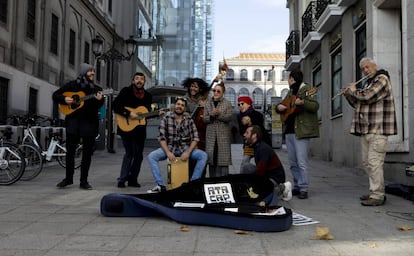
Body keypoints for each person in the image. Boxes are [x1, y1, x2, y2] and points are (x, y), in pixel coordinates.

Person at [343, 57, 397, 206]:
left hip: (378, 129)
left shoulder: (382, 78)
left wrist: (354, 90)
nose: (366, 70)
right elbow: (358, 103)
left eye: (368, 67)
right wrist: (349, 95)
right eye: (363, 69)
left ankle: (377, 195)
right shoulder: (369, 83)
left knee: (374, 163)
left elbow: (367, 97)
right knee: (367, 163)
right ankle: (376, 190)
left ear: (374, 65)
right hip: (366, 129)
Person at [53, 63, 104, 190]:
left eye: (93, 71)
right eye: (90, 71)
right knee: (70, 152)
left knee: (87, 154)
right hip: (73, 123)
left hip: (89, 124)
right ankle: (68, 179)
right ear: (83, 72)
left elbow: (98, 106)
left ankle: (84, 181)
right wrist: (65, 99)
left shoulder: (96, 89)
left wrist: (100, 100)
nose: (93, 73)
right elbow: (55, 95)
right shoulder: (72, 85)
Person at [147, 97, 208, 193]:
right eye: (178, 104)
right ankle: (160, 185)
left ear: (184, 108)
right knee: (151, 156)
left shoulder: (189, 120)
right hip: (170, 148)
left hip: (185, 149)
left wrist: (188, 152)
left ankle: (192, 184)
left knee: (203, 155)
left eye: (182, 105)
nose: (180, 107)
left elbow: (195, 138)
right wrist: (167, 152)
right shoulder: (166, 119)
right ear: (174, 106)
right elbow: (161, 137)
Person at [276, 69, 319, 199]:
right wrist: (279, 107)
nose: (288, 82)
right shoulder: (290, 92)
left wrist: (303, 102)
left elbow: (315, 106)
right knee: (293, 162)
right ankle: (297, 185)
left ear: (292, 78)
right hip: (289, 131)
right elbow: (281, 105)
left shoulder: (307, 89)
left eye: (288, 79)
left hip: (301, 131)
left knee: (301, 162)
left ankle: (304, 188)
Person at [112, 72, 158, 188]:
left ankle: (133, 179)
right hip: (126, 127)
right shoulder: (125, 91)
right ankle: (122, 179)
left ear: (144, 82)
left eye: (142, 79)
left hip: (140, 129)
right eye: (137, 79)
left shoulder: (148, 96)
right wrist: (128, 113)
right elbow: (115, 105)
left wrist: (156, 113)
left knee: (138, 155)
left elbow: (146, 113)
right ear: (133, 81)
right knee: (129, 153)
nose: (139, 81)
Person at [242, 125, 292, 201]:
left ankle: (284, 188)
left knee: (261, 195)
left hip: (275, 178)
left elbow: (261, 170)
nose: (244, 134)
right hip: (267, 175)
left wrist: (253, 188)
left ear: (254, 135)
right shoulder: (256, 146)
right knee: (246, 167)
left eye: (247, 133)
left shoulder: (263, 148)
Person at [203, 82, 233, 177]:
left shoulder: (227, 103)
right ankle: (212, 182)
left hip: (223, 136)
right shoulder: (208, 103)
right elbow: (204, 118)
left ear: (222, 93)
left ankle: (224, 182)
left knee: (223, 161)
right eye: (214, 90)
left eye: (218, 91)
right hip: (211, 136)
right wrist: (211, 116)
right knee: (212, 160)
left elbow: (229, 118)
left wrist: (219, 114)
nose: (215, 92)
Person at [182, 77, 209, 176]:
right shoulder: (184, 100)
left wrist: (204, 106)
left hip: (201, 135)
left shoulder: (205, 100)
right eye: (192, 86)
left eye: (196, 87)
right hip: (188, 135)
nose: (193, 88)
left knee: (201, 161)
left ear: (200, 89)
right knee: (189, 161)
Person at [237, 95, 271, 172]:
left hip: (261, 142)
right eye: (238, 104)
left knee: (262, 162)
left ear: (249, 104)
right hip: (249, 143)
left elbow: (259, 129)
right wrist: (244, 124)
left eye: (242, 103)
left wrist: (250, 122)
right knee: (244, 162)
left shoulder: (257, 114)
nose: (240, 106)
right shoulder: (239, 116)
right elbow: (242, 132)